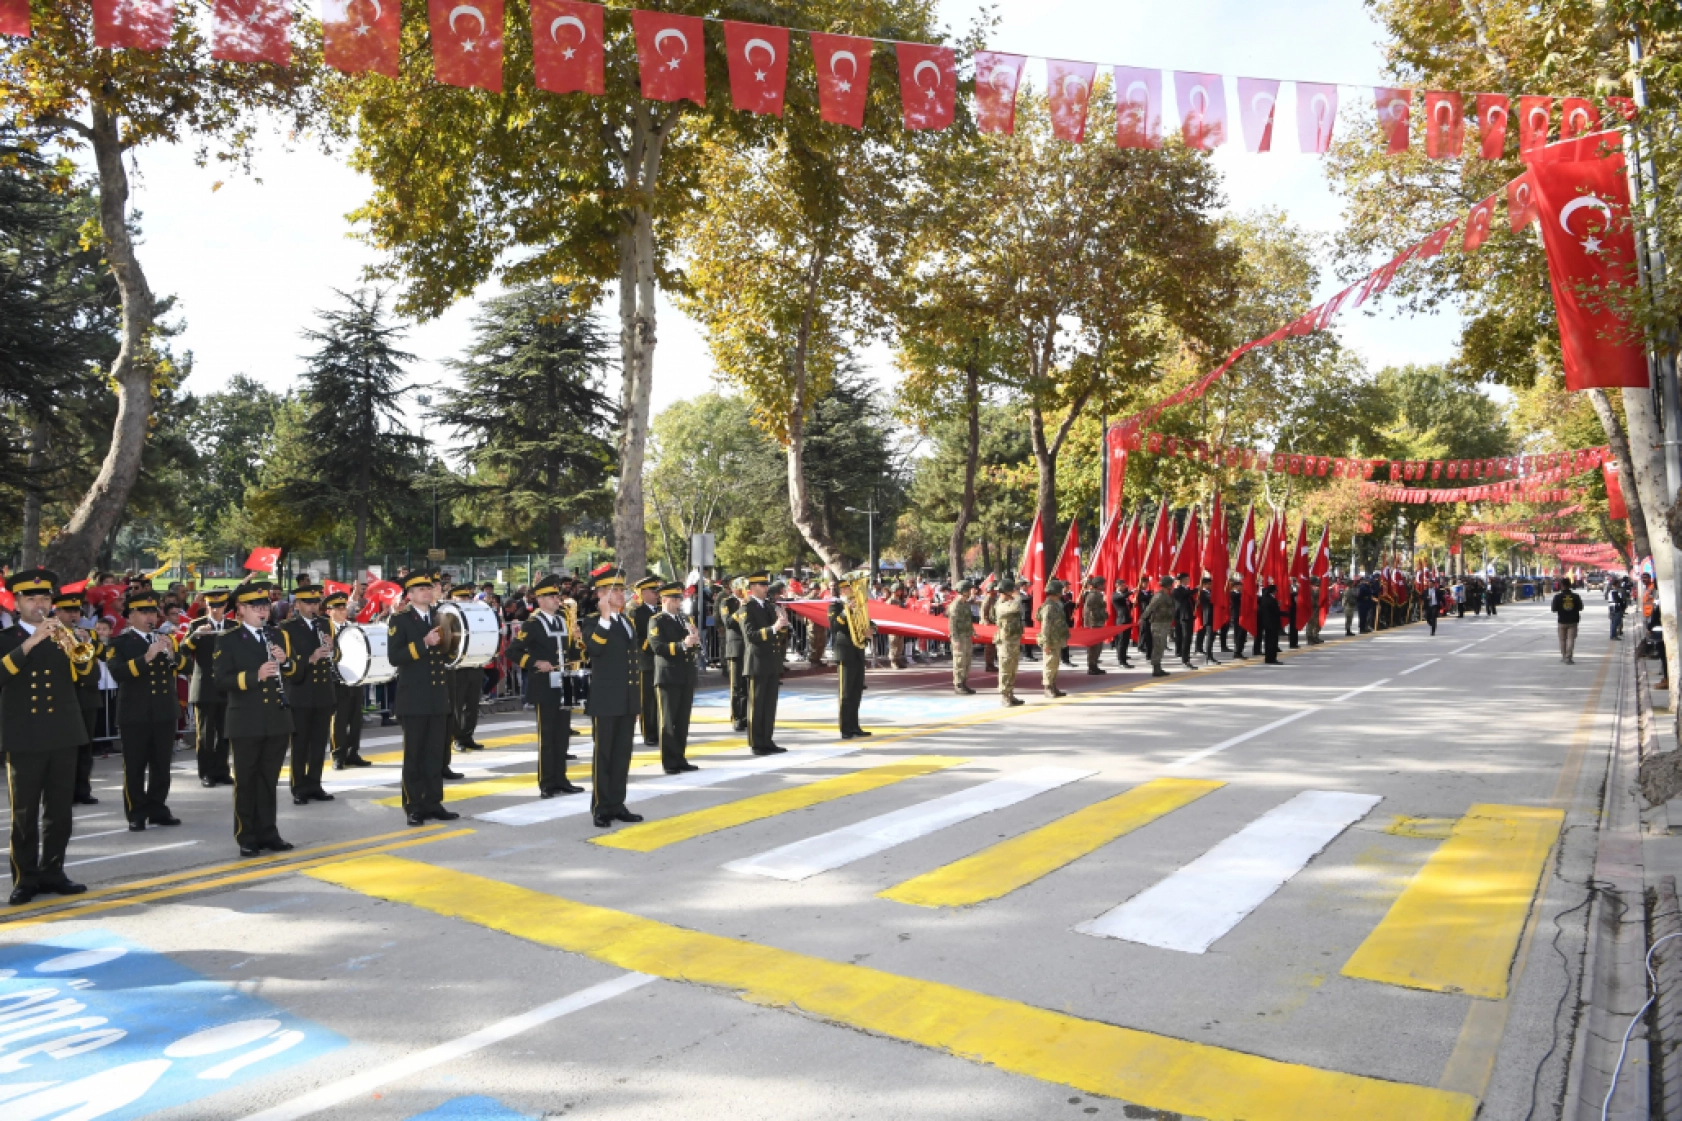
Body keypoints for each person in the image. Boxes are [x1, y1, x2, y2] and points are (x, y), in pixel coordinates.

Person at [1, 569, 91, 904]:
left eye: (45, 598)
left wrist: (81, 648)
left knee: (60, 811)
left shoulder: (63, 636)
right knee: (24, 814)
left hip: (63, 733)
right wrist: (31, 641)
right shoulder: (7, 639)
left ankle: (54, 871)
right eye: (32, 598)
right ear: (17, 602)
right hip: (24, 738)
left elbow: (87, 676)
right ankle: (25, 878)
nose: (40, 604)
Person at [214, 579, 297, 857]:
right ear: (240, 609)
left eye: (265, 606)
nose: (262, 612)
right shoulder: (228, 640)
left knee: (268, 780)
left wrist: (285, 662)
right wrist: (254, 676)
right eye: (255, 607)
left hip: (275, 719)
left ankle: (268, 832)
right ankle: (246, 835)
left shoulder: (276, 636)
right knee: (247, 780)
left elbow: (296, 673)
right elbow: (221, 680)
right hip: (246, 721)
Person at [104, 587, 182, 832]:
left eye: (153, 612)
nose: (151, 617)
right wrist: (146, 658)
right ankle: (136, 812)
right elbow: (117, 671)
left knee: (161, 764)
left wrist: (171, 653)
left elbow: (186, 666)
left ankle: (158, 807)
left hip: (164, 712)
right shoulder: (120, 642)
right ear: (131, 616)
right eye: (144, 612)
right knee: (135, 766)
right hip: (134, 714)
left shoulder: (165, 638)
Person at [387, 571, 460, 827]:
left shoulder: (442, 616)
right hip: (414, 697)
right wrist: (424, 643)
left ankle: (433, 802)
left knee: (434, 753)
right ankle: (413, 805)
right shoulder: (401, 620)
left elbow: (448, 651)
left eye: (428, 588)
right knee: (414, 754)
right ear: (409, 594)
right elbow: (395, 656)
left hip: (437, 696)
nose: (426, 592)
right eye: (419, 589)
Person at [505, 574, 584, 797]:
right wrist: (534, 663)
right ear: (539, 600)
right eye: (550, 596)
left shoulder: (562, 620)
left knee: (562, 735)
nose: (556, 599)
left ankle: (561, 778)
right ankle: (547, 783)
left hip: (564, 682)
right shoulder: (532, 624)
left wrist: (579, 641)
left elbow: (572, 652)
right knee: (548, 736)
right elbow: (512, 651)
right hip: (544, 686)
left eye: (556, 595)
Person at [582, 569, 643, 827]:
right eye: (616, 590)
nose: (622, 594)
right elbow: (594, 650)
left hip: (627, 699)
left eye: (621, 590)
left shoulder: (627, 622)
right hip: (606, 700)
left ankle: (617, 803)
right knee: (604, 755)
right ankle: (601, 806)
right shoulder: (593, 621)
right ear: (601, 595)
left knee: (622, 755)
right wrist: (605, 617)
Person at [279, 581, 337, 806]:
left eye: (316, 602)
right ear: (298, 604)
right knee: (300, 743)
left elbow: (338, 655)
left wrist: (333, 649)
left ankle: (315, 783)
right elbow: (286, 662)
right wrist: (309, 659)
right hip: (301, 691)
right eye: (309, 602)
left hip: (323, 692)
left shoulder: (325, 623)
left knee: (319, 742)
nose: (314, 607)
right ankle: (298, 786)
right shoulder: (287, 627)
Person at [179, 590, 233, 788]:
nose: (216, 610)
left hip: (226, 686)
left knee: (225, 732)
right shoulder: (196, 625)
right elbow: (182, 649)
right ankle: (206, 773)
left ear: (225, 606)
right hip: (204, 686)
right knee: (205, 734)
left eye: (219, 606)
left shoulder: (232, 626)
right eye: (212, 606)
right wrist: (196, 636)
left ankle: (222, 770)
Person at [55, 589, 103, 804]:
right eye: (68, 611)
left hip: (88, 696)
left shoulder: (88, 633)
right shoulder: (52, 634)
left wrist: (87, 642)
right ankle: (64, 791)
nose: (73, 616)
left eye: (76, 611)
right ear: (57, 612)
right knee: (65, 748)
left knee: (86, 747)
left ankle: (83, 789)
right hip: (65, 697)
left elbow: (105, 652)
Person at [649, 581, 701, 773]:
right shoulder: (657, 620)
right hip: (668, 676)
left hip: (685, 674)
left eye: (679, 598)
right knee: (668, 721)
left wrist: (694, 639)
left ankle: (680, 757)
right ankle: (669, 761)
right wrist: (683, 645)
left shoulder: (684, 619)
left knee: (682, 720)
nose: (678, 602)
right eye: (674, 599)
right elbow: (658, 647)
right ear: (664, 600)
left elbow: (692, 646)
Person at [739, 572, 789, 754]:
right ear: (752, 588)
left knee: (769, 704)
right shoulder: (746, 608)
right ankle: (756, 742)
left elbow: (777, 635)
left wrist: (782, 625)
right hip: (757, 662)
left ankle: (767, 739)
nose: (766, 588)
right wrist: (774, 628)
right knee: (757, 704)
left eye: (766, 585)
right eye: (762, 585)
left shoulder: (768, 606)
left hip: (771, 661)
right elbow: (751, 636)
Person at [322, 590, 372, 769]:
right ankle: (338, 755)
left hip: (356, 678)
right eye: (339, 608)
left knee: (356, 718)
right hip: (337, 680)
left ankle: (353, 753)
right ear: (329, 611)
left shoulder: (353, 628)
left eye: (344, 607)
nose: (344, 611)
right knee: (340, 719)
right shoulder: (325, 630)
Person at [446, 584, 486, 754]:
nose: (464, 601)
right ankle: (457, 738)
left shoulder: (474, 616)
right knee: (457, 705)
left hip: (475, 664)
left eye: (466, 598)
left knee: (472, 704)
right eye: (460, 598)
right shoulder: (449, 617)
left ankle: (468, 735)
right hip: (458, 667)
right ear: (453, 599)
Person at [830, 581, 872, 737]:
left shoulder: (860, 604)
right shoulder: (835, 606)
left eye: (852, 587)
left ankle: (855, 726)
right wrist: (846, 610)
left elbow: (869, 620)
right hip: (845, 652)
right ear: (842, 590)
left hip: (858, 650)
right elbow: (834, 626)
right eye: (848, 588)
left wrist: (871, 629)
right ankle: (845, 728)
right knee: (846, 693)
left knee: (856, 692)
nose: (851, 590)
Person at [630, 576, 661, 747]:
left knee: (659, 699)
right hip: (645, 660)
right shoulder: (636, 612)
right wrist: (652, 643)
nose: (656, 594)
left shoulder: (659, 611)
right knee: (647, 701)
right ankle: (649, 733)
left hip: (660, 660)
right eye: (653, 591)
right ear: (643, 593)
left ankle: (659, 729)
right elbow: (636, 638)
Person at [718, 579, 749, 732]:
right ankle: (737, 717)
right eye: (740, 588)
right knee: (737, 685)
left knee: (747, 684)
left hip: (749, 647)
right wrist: (741, 609)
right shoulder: (726, 603)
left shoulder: (750, 602)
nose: (742, 590)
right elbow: (729, 622)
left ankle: (746, 717)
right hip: (736, 648)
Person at [994, 577, 1025, 707]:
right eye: (1012, 590)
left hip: (1013, 639)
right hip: (1005, 641)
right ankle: (1004, 695)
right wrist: (1017, 597)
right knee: (1006, 668)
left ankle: (1010, 693)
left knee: (1013, 668)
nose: (1014, 592)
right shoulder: (1000, 605)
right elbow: (1015, 608)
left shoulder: (1011, 602)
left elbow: (1020, 610)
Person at [1037, 579, 1069, 698]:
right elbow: (1045, 627)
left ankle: (1053, 686)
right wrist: (1046, 643)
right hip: (1050, 640)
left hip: (1056, 639)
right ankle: (1048, 687)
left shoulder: (1056, 605)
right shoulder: (1049, 607)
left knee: (1055, 664)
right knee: (1049, 664)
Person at [1142, 578, 1176, 677]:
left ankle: (1158, 666)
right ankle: (1156, 668)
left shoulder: (1166, 595)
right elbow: (1150, 608)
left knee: (1161, 646)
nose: (1172, 586)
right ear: (1168, 585)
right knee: (1158, 645)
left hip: (1165, 623)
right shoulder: (1159, 596)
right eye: (1171, 584)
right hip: (1158, 624)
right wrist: (1143, 618)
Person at [949, 580, 976, 693]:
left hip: (966, 636)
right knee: (959, 661)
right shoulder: (955, 605)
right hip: (959, 637)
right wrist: (955, 640)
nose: (971, 591)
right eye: (969, 590)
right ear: (964, 591)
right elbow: (952, 624)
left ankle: (964, 683)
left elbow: (968, 620)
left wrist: (972, 631)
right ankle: (958, 685)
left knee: (967, 661)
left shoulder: (965, 604)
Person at [1552, 578, 1584, 665]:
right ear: (1570, 585)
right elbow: (1581, 608)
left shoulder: (1557, 597)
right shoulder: (1576, 596)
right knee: (1571, 639)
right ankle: (1568, 657)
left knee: (1562, 640)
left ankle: (1563, 656)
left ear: (1562, 586)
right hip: (1573, 621)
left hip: (1562, 621)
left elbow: (1554, 609)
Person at [1080, 577, 1108, 675]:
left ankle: (1095, 665)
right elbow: (1086, 609)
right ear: (1098, 585)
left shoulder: (1098, 595)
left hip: (1098, 623)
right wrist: (1087, 624)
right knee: (1094, 647)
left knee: (1099, 646)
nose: (1104, 586)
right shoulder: (1092, 595)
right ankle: (1091, 666)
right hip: (1093, 623)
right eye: (1102, 584)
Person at [1194, 576, 1220, 665]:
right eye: (1209, 584)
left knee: (1212, 637)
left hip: (1213, 616)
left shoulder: (1210, 592)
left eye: (1211, 584)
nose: (1211, 585)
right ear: (1204, 585)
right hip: (1208, 617)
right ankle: (1209, 656)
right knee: (1210, 637)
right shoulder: (1203, 593)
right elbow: (1212, 599)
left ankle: (1210, 655)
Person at [1171, 574, 1195, 667]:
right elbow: (1182, 596)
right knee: (1185, 637)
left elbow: (1189, 600)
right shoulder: (1177, 590)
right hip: (1183, 616)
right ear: (1182, 580)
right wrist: (1196, 589)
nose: (1189, 580)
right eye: (1187, 579)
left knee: (1188, 638)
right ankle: (1185, 658)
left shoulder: (1187, 590)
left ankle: (1186, 656)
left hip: (1189, 616)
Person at [1111, 579, 1135, 668]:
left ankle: (1124, 659)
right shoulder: (1115, 595)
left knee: (1125, 641)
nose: (1125, 587)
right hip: (1121, 620)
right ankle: (1121, 661)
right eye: (1123, 585)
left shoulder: (1124, 596)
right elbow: (1121, 598)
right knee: (1121, 641)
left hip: (1127, 619)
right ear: (1118, 586)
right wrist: (1131, 592)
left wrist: (1133, 603)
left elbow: (1128, 604)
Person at [1258, 585, 1284, 664]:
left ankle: (1268, 658)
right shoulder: (1272, 600)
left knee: (1267, 641)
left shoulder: (1263, 599)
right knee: (1273, 642)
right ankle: (1272, 658)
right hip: (1273, 623)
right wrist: (1286, 614)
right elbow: (1275, 612)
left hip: (1266, 623)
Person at [981, 582, 1000, 673]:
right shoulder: (988, 599)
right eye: (994, 589)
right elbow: (984, 613)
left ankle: (991, 664)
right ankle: (989, 665)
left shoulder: (994, 599)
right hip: (989, 625)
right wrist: (986, 622)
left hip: (993, 624)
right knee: (989, 647)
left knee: (993, 646)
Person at [1229, 576, 1248, 658]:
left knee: (1243, 634)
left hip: (1243, 615)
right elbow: (1237, 597)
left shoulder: (1240, 594)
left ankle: (1240, 650)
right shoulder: (1233, 594)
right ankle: (1237, 651)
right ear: (1235, 587)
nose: (1242, 587)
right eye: (1240, 586)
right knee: (1238, 634)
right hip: (1237, 616)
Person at [1304, 578, 1325, 646]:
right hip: (1311, 609)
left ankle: (1313, 637)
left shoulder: (1314, 589)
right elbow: (1312, 598)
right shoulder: (1309, 589)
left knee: (1315, 623)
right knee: (1310, 624)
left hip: (1315, 608)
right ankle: (1309, 638)